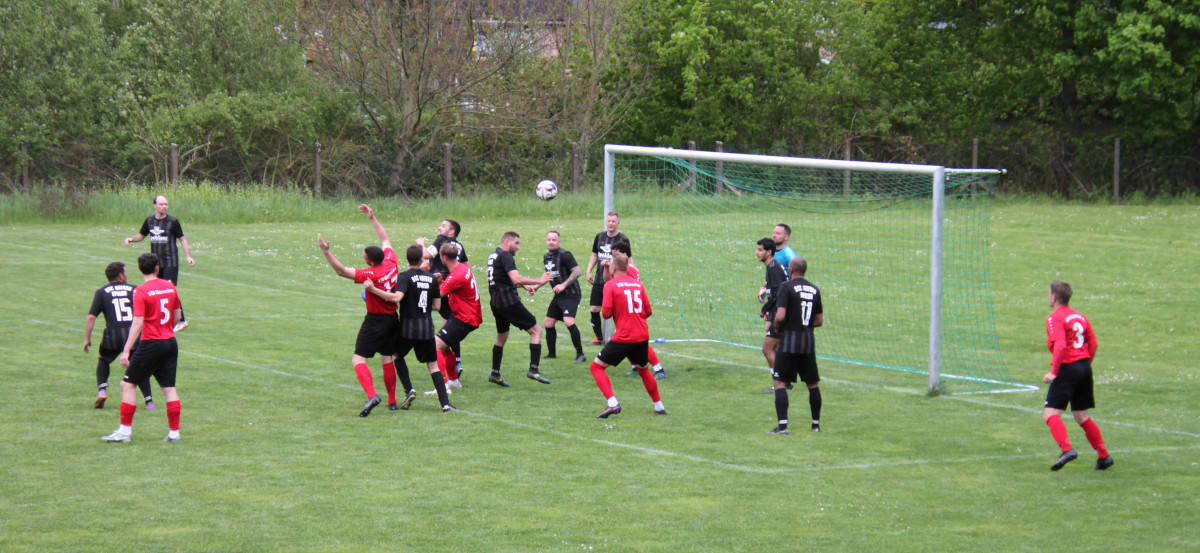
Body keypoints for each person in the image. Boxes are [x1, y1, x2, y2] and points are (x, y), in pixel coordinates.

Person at [317, 204, 402, 417]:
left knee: (358, 359)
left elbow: (341, 271)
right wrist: (373, 218)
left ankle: (372, 394)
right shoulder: (391, 262)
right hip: (393, 318)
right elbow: (385, 239)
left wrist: (326, 252)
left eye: (364, 256)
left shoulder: (370, 275)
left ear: (370, 262)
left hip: (375, 321)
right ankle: (392, 401)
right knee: (386, 357)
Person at [101, 253, 183, 443]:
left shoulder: (141, 291)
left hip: (151, 344)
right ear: (157, 268)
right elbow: (178, 316)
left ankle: (124, 432)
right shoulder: (170, 286)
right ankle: (174, 433)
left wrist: (127, 350)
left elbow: (138, 323)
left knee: (127, 384)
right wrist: (165, 330)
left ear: (139, 269)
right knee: (169, 388)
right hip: (170, 342)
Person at [363, 244, 452, 413]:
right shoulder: (432, 278)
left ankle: (409, 389)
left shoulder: (403, 277)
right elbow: (437, 306)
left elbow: (397, 298)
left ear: (407, 259)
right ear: (421, 259)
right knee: (433, 366)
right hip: (426, 328)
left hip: (408, 328)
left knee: (397, 355)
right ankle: (445, 404)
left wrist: (373, 290)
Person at [586, 241, 665, 418]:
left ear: (613, 268)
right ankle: (659, 406)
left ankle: (612, 403)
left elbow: (605, 314)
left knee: (596, 368)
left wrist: (621, 315)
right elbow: (649, 311)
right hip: (642, 335)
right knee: (644, 370)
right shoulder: (638, 284)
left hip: (624, 336)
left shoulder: (610, 286)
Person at [1042, 281, 1113, 471]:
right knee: (1081, 415)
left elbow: (1061, 346)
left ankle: (1067, 450)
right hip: (1084, 366)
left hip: (1067, 367)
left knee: (1050, 414)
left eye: (1049, 294)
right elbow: (1094, 343)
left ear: (1054, 298)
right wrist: (1084, 365)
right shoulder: (1080, 316)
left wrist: (1054, 372)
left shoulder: (1054, 318)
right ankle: (1103, 455)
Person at [84, 262, 155, 410]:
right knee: (139, 366)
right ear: (121, 276)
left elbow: (91, 317)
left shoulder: (101, 292)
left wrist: (87, 339)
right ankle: (149, 402)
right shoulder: (135, 289)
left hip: (112, 335)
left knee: (103, 359)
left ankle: (102, 390)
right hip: (133, 335)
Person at [485, 231, 553, 386]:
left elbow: (502, 279)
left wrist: (525, 286)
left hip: (496, 303)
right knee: (536, 331)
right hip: (509, 302)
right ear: (507, 242)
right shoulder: (506, 255)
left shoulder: (493, 255)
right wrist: (539, 280)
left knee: (501, 337)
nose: (518, 247)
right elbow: (515, 278)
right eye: (516, 243)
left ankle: (495, 374)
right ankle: (533, 370)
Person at [768, 256, 823, 435]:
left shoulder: (786, 287)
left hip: (788, 342)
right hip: (808, 343)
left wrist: (778, 327)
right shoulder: (815, 289)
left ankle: (782, 426)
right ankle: (815, 425)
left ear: (790, 270)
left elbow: (781, 315)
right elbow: (819, 320)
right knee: (812, 384)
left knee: (780, 381)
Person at [124, 195, 194, 331]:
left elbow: (182, 239)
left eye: (166, 204)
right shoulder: (149, 221)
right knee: (158, 291)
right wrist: (131, 239)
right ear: (154, 205)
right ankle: (162, 318)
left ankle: (181, 320)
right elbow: (142, 235)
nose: (164, 207)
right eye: (161, 204)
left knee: (169, 289)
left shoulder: (173, 221)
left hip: (170, 261)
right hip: (156, 263)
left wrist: (188, 256)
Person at [603, 244, 667, 380]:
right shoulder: (629, 267)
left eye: (614, 253)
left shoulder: (627, 270)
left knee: (631, 338)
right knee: (627, 338)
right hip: (632, 308)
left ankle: (658, 368)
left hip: (630, 308)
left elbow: (622, 285)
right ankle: (636, 366)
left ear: (621, 253)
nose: (611, 255)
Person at [433, 243, 482, 410]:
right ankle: (453, 380)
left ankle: (443, 385)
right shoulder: (462, 268)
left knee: (435, 346)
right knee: (444, 347)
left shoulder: (457, 275)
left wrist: (431, 282)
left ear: (443, 258)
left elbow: (438, 294)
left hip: (464, 318)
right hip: (465, 315)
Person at [525, 230, 587, 363]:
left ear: (559, 242)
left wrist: (564, 285)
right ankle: (552, 354)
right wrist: (535, 287)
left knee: (569, 321)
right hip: (559, 295)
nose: (551, 242)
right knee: (548, 322)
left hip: (571, 294)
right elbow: (548, 275)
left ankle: (580, 354)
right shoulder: (547, 257)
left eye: (554, 240)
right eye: (549, 240)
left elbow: (577, 271)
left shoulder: (565, 255)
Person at [416, 218, 468, 372]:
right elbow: (466, 268)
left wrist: (420, 243)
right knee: (450, 323)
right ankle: (456, 361)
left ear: (452, 232)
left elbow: (426, 254)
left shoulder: (442, 240)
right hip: (452, 288)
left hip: (440, 287)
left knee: (418, 309)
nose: (439, 227)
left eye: (444, 226)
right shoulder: (458, 246)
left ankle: (426, 351)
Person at [585, 212, 629, 345]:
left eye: (613, 221)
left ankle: (621, 335)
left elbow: (628, 259)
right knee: (594, 309)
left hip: (615, 281)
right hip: (599, 279)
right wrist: (588, 270)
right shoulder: (599, 237)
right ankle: (599, 338)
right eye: (609, 221)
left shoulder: (623, 240)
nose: (610, 223)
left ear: (618, 223)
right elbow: (594, 254)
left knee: (617, 310)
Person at [756, 238, 790, 394]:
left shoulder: (774, 269)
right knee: (777, 349)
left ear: (769, 252)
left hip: (781, 315)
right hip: (779, 313)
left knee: (767, 349)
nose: (757, 253)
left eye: (760, 250)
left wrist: (765, 309)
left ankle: (779, 384)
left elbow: (777, 294)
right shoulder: (772, 267)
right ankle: (786, 381)